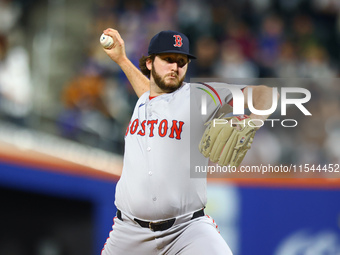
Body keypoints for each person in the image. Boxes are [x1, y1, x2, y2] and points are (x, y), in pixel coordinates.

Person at [101, 28, 275, 255]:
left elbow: (266, 94)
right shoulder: (145, 100)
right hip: (129, 233)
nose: (175, 67)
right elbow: (150, 92)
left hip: (187, 230)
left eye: (181, 61)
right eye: (168, 59)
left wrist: (252, 122)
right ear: (150, 63)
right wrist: (122, 59)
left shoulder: (200, 96)